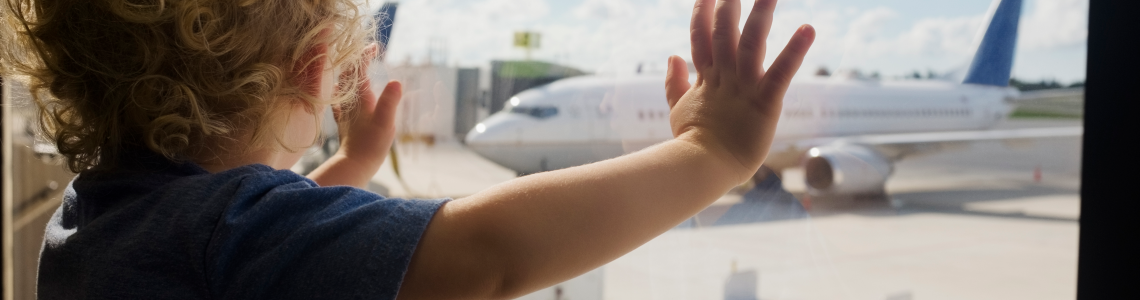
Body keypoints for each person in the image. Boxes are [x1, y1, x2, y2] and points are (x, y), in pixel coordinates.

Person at [0, 0, 814, 299]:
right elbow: (489, 255)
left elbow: (250, 250)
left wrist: (347, 170)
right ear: (317, 70)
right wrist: (713, 153)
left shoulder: (94, 212)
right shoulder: (229, 232)